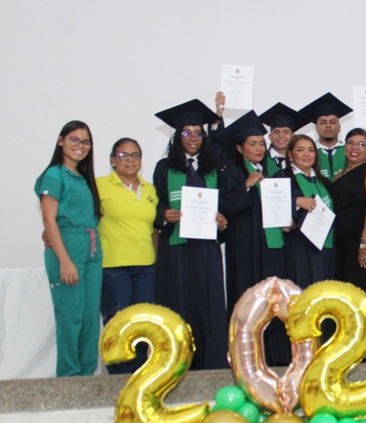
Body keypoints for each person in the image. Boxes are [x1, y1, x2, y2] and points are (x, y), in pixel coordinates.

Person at [153, 99, 229, 370]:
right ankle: (179, 361)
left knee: (208, 303)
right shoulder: (164, 168)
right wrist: (164, 214)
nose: (193, 138)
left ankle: (212, 364)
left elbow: (224, 203)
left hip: (206, 248)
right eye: (187, 133)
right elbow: (156, 202)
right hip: (177, 248)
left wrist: (222, 218)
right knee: (180, 299)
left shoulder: (213, 168)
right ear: (177, 137)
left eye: (198, 133)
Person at [218, 110, 292, 365]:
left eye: (262, 143)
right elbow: (224, 206)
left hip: (272, 246)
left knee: (274, 300)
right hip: (245, 245)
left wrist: (288, 222)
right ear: (240, 148)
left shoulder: (276, 171)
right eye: (252, 144)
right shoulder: (232, 172)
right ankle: (245, 359)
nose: (259, 148)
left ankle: (276, 358)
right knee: (249, 300)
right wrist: (247, 185)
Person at [35, 121, 103, 377]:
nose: (80, 146)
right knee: (70, 317)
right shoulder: (54, 175)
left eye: (85, 142)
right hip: (67, 248)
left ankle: (86, 376)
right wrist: (64, 260)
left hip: (92, 249)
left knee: (88, 320)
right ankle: (68, 379)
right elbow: (49, 220)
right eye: (74, 140)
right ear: (61, 141)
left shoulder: (84, 177)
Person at [96, 138, 158, 374]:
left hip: (146, 268)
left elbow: (154, 229)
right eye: (123, 155)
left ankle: (140, 378)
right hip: (113, 267)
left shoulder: (150, 190)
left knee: (143, 327)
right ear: (113, 160)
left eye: (135, 155)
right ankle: (118, 382)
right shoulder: (99, 186)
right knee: (118, 326)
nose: (130, 160)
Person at [329, 128, 366, 362]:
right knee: (343, 300)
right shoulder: (339, 175)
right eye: (351, 143)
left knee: (362, 298)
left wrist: (364, 242)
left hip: (362, 243)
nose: (355, 148)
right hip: (340, 245)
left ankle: (365, 356)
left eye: (361, 144)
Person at [299, 90, 366, 180]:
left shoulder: (354, 151)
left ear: (339, 127)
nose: (328, 126)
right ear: (316, 128)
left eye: (332, 122)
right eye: (323, 122)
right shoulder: (307, 154)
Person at [282, 133, 336, 289]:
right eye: (300, 150)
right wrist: (296, 201)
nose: (307, 154)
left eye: (311, 150)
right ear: (290, 154)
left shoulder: (323, 181)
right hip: (300, 249)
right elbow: (271, 206)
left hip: (326, 247)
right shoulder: (283, 177)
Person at [259, 103, 308, 177]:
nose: (281, 136)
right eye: (276, 132)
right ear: (270, 136)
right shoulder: (261, 159)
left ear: (293, 136)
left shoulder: (302, 159)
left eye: (286, 132)